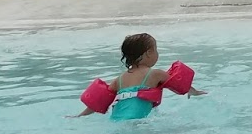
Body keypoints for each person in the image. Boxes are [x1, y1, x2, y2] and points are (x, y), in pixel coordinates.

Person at [74, 33, 205, 120]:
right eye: (156, 49)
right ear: (149, 53)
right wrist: (195, 92)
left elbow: (97, 103)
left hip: (116, 120)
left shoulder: (119, 80)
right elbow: (179, 84)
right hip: (137, 122)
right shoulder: (155, 74)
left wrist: (79, 116)